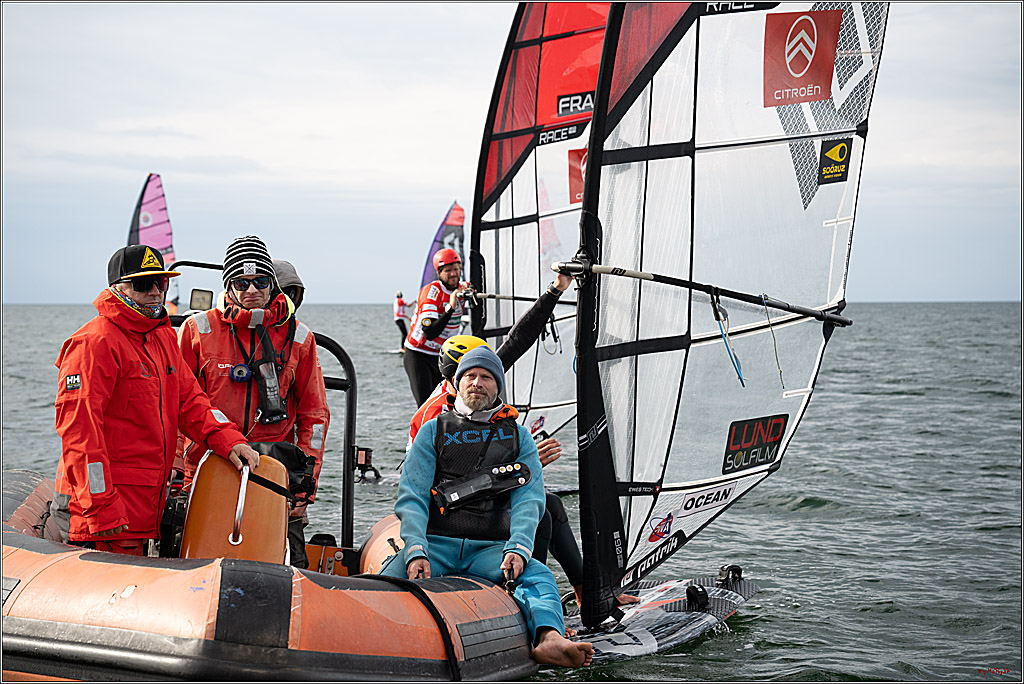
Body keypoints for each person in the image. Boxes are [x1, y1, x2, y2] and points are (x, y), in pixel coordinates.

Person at [382, 346, 594, 668]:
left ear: (498, 388)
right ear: (458, 383)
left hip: (489, 552)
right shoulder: (433, 431)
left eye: (486, 377)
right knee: (383, 583)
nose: (477, 382)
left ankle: (549, 638)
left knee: (538, 575)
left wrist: (519, 548)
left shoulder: (519, 437)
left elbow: (530, 499)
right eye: (470, 375)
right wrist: (415, 550)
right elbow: (412, 496)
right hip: (435, 547)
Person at [51, 245, 260, 555]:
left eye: (160, 283)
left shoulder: (161, 338)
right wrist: (100, 506)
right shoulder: (94, 343)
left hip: (139, 510)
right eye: (142, 284)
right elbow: (81, 435)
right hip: (99, 514)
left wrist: (229, 440)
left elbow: (191, 401)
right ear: (117, 288)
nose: (154, 291)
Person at [178, 236, 330, 569]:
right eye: (241, 282)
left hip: (274, 472)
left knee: (291, 565)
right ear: (228, 286)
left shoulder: (299, 337)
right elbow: (177, 406)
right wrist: (176, 475)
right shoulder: (196, 330)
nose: (252, 290)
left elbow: (314, 417)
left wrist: (306, 485)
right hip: (205, 468)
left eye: (261, 281)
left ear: (272, 284)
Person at [403, 248, 469, 405]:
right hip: (419, 354)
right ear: (439, 273)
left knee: (450, 404)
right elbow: (430, 332)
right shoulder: (431, 292)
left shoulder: (463, 288)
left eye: (456, 269)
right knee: (426, 406)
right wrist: (450, 308)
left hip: (442, 355)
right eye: (448, 271)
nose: (453, 274)